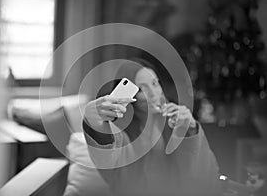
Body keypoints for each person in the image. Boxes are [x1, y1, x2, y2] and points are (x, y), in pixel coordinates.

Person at [83, 58, 221, 196]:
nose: (154, 94)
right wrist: (94, 124)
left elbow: (207, 174)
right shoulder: (119, 131)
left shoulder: (176, 121)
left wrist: (191, 130)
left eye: (155, 83)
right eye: (142, 89)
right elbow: (108, 157)